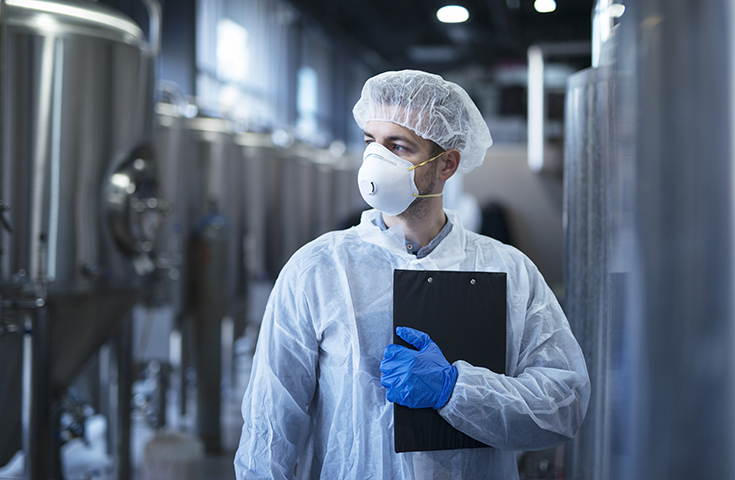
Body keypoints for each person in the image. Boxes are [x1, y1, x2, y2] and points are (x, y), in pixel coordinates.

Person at [234, 70, 590, 479]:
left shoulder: (508, 270)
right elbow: (269, 427)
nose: (376, 160)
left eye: (398, 146)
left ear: (447, 164)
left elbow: (564, 404)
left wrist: (456, 388)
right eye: (371, 142)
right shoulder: (317, 270)